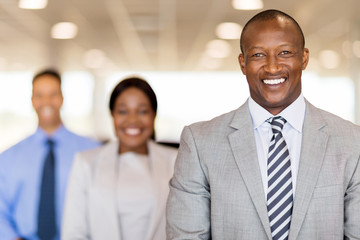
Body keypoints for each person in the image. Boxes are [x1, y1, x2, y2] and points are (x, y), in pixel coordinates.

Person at [166, 9, 360, 240]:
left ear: (304, 58)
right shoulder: (199, 143)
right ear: (242, 62)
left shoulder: (352, 142)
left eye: (285, 52)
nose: (272, 67)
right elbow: (186, 235)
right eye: (258, 55)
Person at [62, 77, 178, 240]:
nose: (132, 120)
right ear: (112, 115)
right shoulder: (86, 163)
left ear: (154, 115)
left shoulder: (176, 162)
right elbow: (74, 233)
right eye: (123, 111)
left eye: (142, 111)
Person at [0, 69, 100, 240]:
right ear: (32, 100)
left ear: (62, 98)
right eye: (39, 95)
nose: (46, 101)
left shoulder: (92, 151)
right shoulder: (8, 157)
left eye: (53, 94)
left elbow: (101, 205)